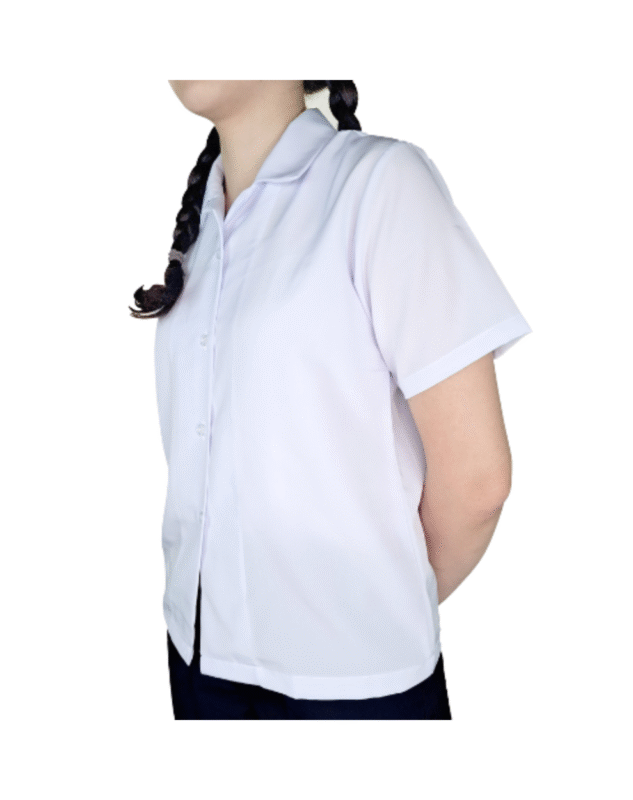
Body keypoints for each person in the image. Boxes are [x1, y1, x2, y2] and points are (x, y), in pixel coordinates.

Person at [131, 80, 532, 719]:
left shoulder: (380, 186)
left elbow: (478, 481)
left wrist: (370, 608)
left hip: (351, 686)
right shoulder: (202, 227)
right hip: (197, 658)